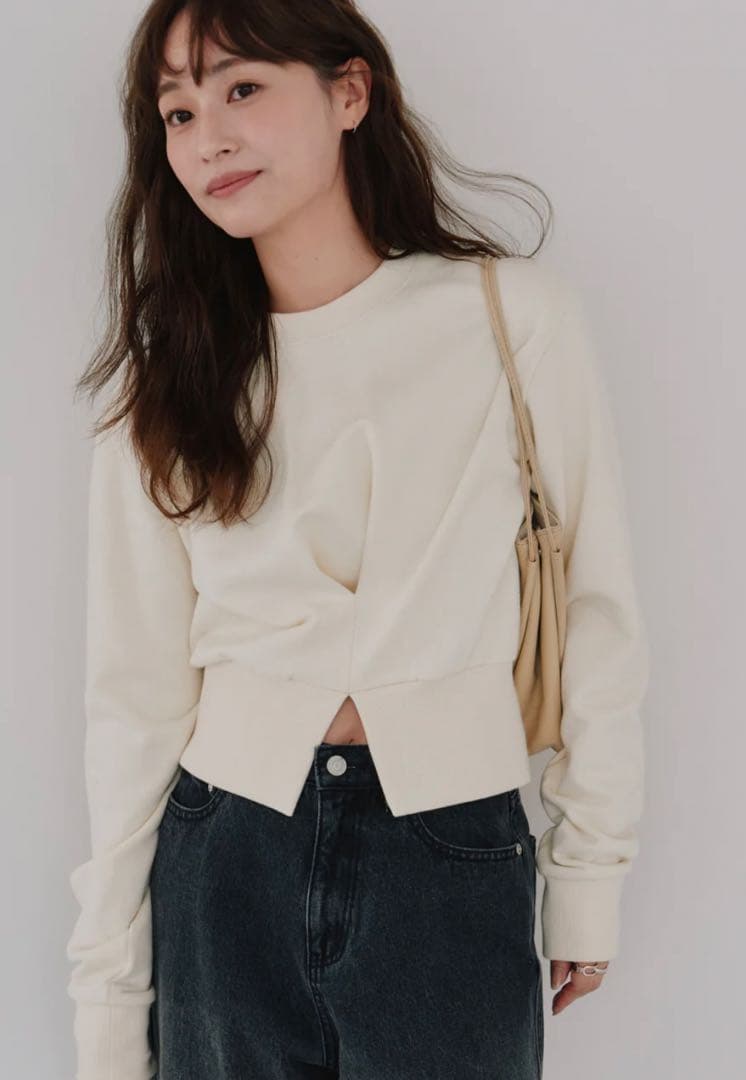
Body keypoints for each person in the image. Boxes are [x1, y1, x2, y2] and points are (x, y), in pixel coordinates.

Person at [65, 2, 650, 1078]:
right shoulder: (169, 378)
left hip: (452, 848)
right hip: (223, 854)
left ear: (349, 91)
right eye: (178, 112)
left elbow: (596, 611)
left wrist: (588, 875)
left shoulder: (509, 317)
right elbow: (134, 699)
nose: (209, 137)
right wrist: (108, 995)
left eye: (242, 88)